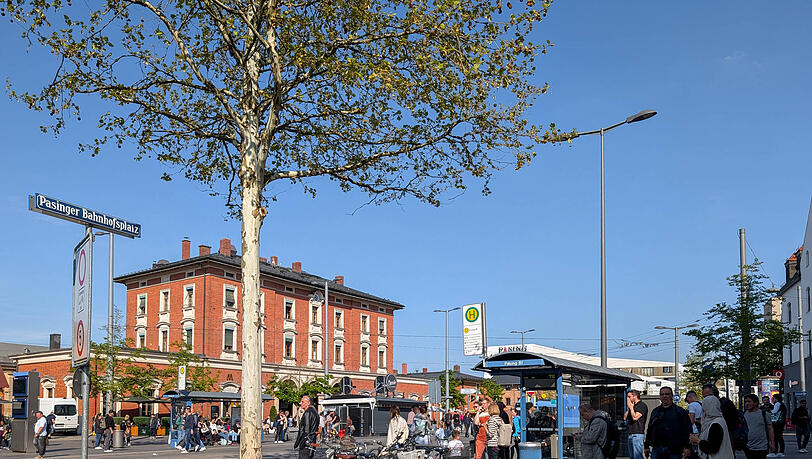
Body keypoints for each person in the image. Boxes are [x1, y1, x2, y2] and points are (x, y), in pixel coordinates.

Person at [644, 386, 692, 459]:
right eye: (662, 394)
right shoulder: (655, 412)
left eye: (667, 394)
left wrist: (687, 447)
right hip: (657, 448)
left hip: (675, 449)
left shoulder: (680, 412)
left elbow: (687, 430)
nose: (664, 396)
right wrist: (646, 446)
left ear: (672, 396)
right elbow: (650, 429)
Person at [690, 395, 734, 459]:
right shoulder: (719, 420)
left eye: (704, 406)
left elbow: (712, 448)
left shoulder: (716, 424)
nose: (703, 409)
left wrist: (698, 440)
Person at [741, 394, 774, 459]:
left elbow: (770, 429)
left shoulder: (764, 414)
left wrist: (772, 443)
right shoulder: (744, 414)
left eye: (749, 401)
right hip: (748, 447)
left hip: (762, 447)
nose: (746, 404)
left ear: (755, 403)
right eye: (745, 402)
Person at [625, 389, 649, 459]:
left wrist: (632, 408)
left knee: (637, 456)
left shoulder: (642, 405)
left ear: (635, 396)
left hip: (637, 434)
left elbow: (635, 417)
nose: (628, 399)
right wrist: (630, 408)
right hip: (630, 433)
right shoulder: (632, 406)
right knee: (632, 456)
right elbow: (624, 417)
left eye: (629, 397)